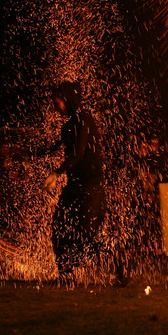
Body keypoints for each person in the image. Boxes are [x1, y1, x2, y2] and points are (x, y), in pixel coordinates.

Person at [44, 81, 107, 283]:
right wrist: (29, 153)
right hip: (75, 185)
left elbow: (78, 154)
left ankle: (119, 270)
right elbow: (55, 147)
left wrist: (57, 173)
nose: (56, 106)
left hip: (90, 185)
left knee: (87, 234)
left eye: (58, 102)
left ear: (68, 99)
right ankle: (66, 274)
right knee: (60, 226)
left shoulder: (83, 119)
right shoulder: (69, 124)